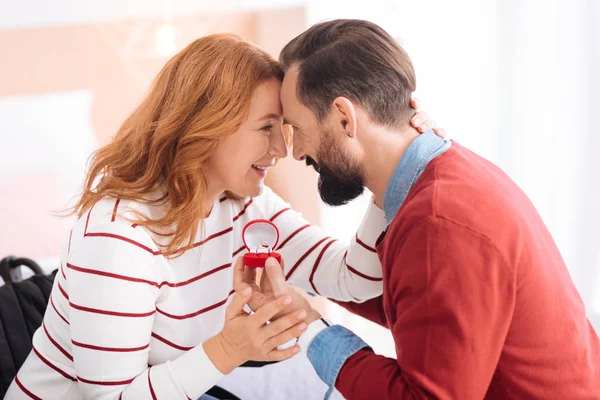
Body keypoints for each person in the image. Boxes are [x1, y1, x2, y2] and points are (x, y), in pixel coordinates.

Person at [5, 33, 440, 400]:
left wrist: (386, 175)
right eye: (266, 127)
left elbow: (353, 280)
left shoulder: (242, 205)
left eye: (283, 129)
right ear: (208, 126)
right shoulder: (120, 237)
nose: (282, 150)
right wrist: (228, 349)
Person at [241, 19, 600, 399]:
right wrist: (297, 290)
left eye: (298, 129)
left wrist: (311, 329)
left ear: (345, 117)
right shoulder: (447, 175)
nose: (295, 152)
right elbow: (416, 301)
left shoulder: (439, 224)